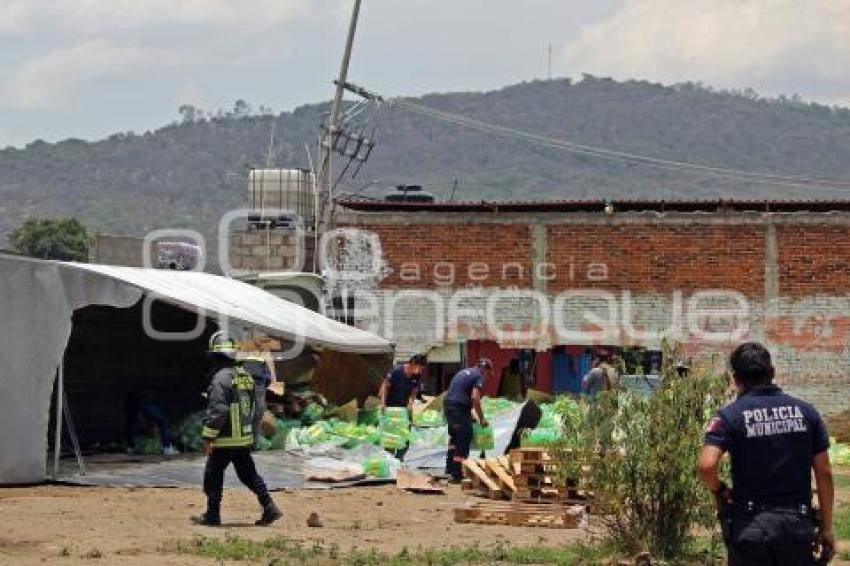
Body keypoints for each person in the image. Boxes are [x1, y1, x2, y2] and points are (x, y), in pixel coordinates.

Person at [697, 342, 834, 565]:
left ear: (736, 379)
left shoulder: (730, 416)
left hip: (750, 528)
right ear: (772, 373)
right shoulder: (807, 412)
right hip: (796, 527)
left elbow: (706, 465)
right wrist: (827, 528)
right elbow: (824, 472)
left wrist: (720, 489)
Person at [192, 331, 282, 527]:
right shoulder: (245, 376)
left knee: (213, 475)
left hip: (225, 439)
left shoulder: (220, 379)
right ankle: (269, 506)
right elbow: (255, 407)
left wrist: (208, 436)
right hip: (243, 438)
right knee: (248, 474)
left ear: (216, 356)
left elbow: (218, 410)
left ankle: (212, 515)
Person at [443, 358, 493, 482]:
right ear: (485, 370)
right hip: (458, 408)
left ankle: (450, 469)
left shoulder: (465, 372)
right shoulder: (478, 376)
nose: (487, 378)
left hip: (449, 406)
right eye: (488, 375)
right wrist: (482, 418)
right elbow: (475, 398)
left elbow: (458, 394)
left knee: (455, 437)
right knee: (464, 437)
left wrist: (470, 416)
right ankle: (457, 474)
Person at [124, 388, 179, 456]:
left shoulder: (137, 409)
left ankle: (130, 447)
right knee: (163, 422)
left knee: (132, 423)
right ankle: (167, 447)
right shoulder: (152, 404)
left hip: (135, 400)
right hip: (144, 401)